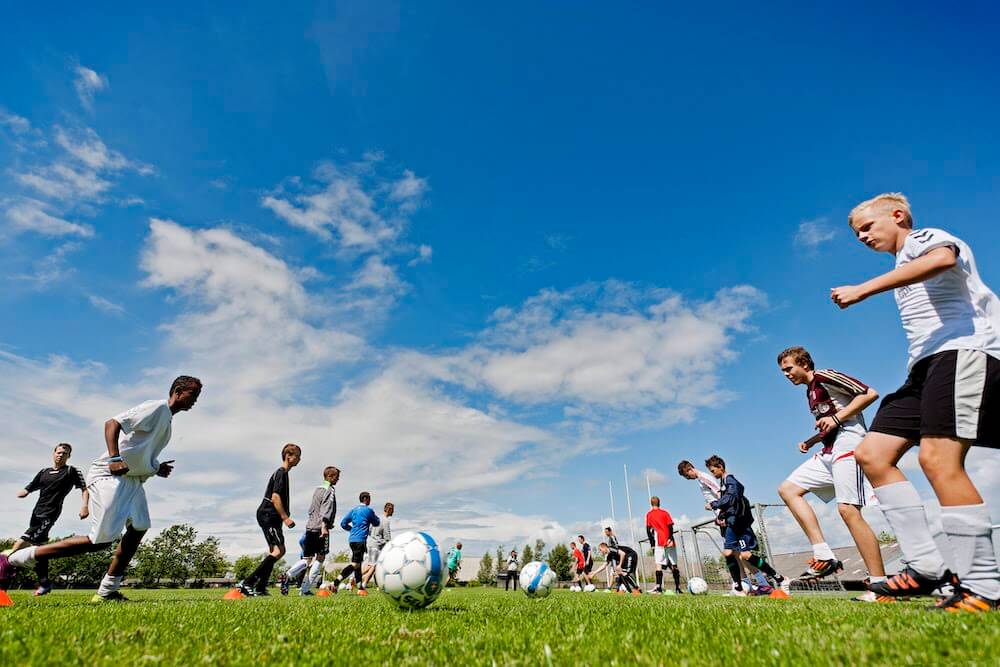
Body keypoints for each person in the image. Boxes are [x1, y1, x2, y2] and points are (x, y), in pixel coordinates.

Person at [831, 193, 1000, 612]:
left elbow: (943, 259)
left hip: (964, 350)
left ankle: (984, 588)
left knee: (938, 459)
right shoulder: (901, 262)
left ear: (898, 215)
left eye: (867, 227)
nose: (862, 236)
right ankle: (926, 567)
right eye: (857, 234)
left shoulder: (925, 238)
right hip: (923, 367)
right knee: (871, 453)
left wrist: (863, 289)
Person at [0, 376, 201, 601]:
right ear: (177, 390)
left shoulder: (167, 420)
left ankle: (107, 591)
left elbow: (139, 452)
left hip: (133, 480)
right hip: (109, 476)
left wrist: (157, 467)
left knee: (139, 527)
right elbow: (112, 423)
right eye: (193, 394)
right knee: (100, 541)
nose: (195, 400)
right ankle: (10, 560)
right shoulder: (156, 408)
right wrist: (114, 458)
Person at [776, 347, 888, 601]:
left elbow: (870, 394)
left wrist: (836, 419)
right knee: (788, 489)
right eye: (782, 371)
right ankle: (823, 553)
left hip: (850, 444)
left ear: (804, 363)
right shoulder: (809, 392)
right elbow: (829, 421)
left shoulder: (826, 376)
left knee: (848, 510)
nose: (786, 374)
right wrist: (813, 440)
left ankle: (881, 586)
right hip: (828, 451)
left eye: (788, 368)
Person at [7, 443, 90, 596]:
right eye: (59, 452)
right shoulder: (44, 471)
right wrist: (25, 491)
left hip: (50, 513)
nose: (61, 455)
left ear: (68, 456)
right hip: (36, 513)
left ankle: (4, 570)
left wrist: (84, 506)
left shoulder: (72, 471)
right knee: (40, 550)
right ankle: (45, 584)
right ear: (53, 454)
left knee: (20, 543)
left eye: (65, 453)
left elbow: (84, 489)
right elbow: (31, 486)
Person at [706, 455, 789, 595]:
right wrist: (721, 517)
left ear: (720, 467)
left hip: (740, 526)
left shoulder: (731, 481)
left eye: (713, 471)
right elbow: (731, 506)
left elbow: (732, 498)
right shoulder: (723, 483)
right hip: (732, 525)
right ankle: (738, 587)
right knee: (728, 553)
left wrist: (714, 504)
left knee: (746, 556)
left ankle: (779, 578)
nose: (712, 474)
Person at [239, 443, 301, 597]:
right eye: (298, 455)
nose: (299, 459)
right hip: (269, 515)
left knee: (275, 551)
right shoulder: (281, 473)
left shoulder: (283, 473)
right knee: (280, 551)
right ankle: (247, 582)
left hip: (270, 516)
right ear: (289, 456)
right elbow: (275, 497)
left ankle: (260, 588)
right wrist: (285, 517)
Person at [677, 460, 747, 594]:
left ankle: (750, 581)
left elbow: (720, 493)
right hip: (722, 516)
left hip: (724, 516)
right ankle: (743, 581)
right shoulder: (700, 479)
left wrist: (721, 514)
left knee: (735, 551)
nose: (687, 478)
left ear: (689, 470)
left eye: (686, 475)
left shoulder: (704, 478)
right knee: (734, 551)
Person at [282, 466, 338, 596]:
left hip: (310, 527)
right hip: (320, 528)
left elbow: (312, 509)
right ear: (330, 477)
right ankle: (305, 589)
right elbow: (326, 508)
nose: (338, 480)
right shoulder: (330, 490)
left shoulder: (317, 489)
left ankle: (288, 574)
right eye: (337, 477)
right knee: (320, 557)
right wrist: (325, 525)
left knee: (307, 559)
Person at [331, 492, 380, 596]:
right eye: (369, 499)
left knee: (358, 564)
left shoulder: (353, 510)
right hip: (360, 540)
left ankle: (360, 588)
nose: (370, 501)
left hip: (352, 540)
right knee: (355, 564)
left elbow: (343, 523)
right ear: (366, 499)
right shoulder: (368, 510)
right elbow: (377, 523)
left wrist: (352, 529)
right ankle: (335, 583)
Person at [645, 496, 682, 595]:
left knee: (658, 564)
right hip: (670, 540)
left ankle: (659, 588)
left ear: (651, 503)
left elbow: (648, 530)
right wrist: (670, 538)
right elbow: (670, 526)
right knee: (674, 564)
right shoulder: (665, 513)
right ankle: (678, 588)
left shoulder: (649, 514)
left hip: (659, 540)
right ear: (659, 503)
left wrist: (652, 543)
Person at [362, 501, 393, 588]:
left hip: (371, 543)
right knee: (374, 566)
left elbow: (369, 530)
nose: (393, 512)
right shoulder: (386, 521)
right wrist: (390, 545)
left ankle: (355, 578)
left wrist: (374, 537)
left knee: (370, 565)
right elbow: (387, 537)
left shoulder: (377, 518)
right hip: (378, 546)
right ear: (389, 510)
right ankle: (363, 584)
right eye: (392, 510)